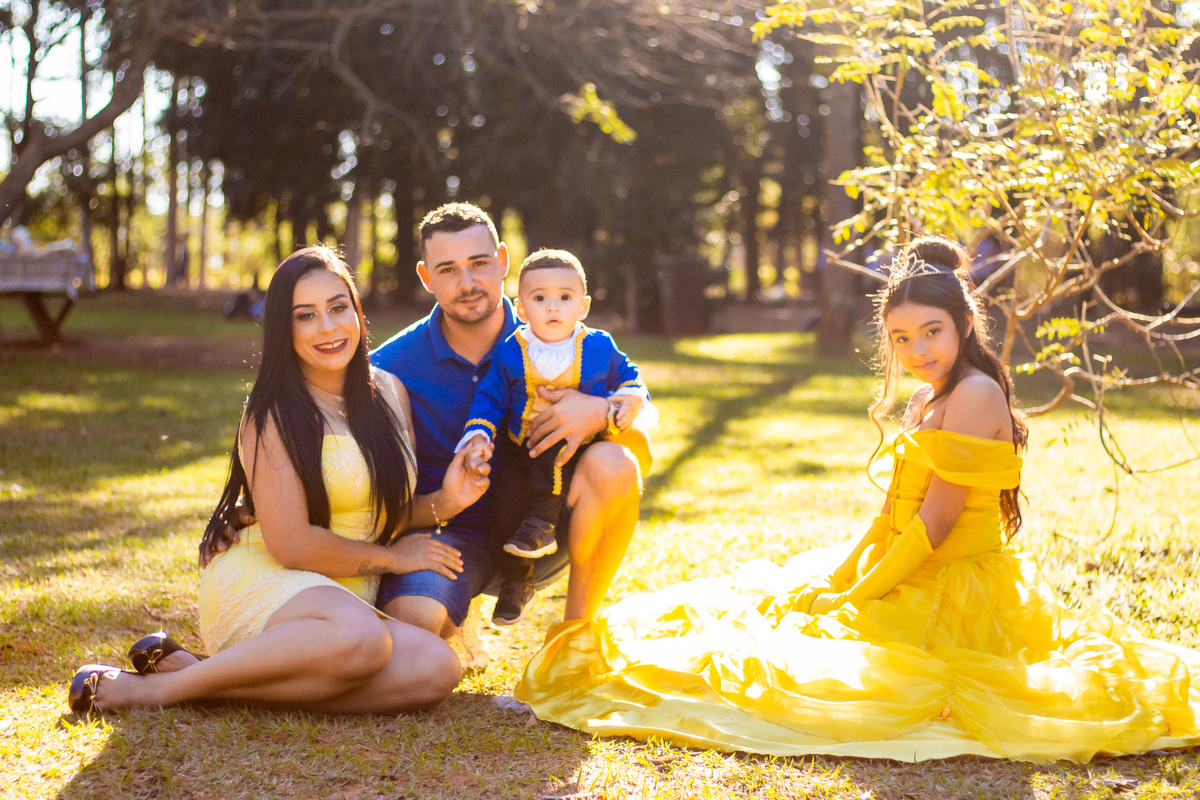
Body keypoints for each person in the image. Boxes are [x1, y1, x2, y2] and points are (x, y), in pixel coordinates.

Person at [514, 236, 1200, 763]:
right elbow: (893, 515)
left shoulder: (976, 393)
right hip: (903, 554)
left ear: (965, 322)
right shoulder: (929, 395)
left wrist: (863, 595)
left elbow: (934, 524)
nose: (918, 349)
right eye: (902, 339)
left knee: (830, 673)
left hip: (948, 578)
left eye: (932, 331)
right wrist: (847, 575)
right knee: (780, 617)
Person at [206, 203, 652, 668]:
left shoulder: (557, 334)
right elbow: (324, 450)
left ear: (502, 261)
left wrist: (601, 412)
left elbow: (640, 448)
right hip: (447, 535)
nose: (468, 282)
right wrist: (253, 509)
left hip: (543, 523)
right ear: (425, 277)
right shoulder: (387, 371)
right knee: (412, 626)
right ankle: (456, 606)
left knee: (615, 464)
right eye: (448, 269)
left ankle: (574, 640)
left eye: (479, 264)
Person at [68, 246, 484, 714]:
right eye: (305, 316)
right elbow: (290, 545)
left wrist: (446, 501)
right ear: (283, 330)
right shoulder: (271, 415)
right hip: (268, 580)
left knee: (436, 667)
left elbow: (380, 510)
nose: (328, 328)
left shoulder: (389, 391)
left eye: (337, 308)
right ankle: (156, 691)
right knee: (362, 637)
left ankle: (203, 677)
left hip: (344, 597)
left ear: (357, 312)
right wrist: (391, 556)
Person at [457, 249, 650, 626]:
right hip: (521, 448)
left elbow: (628, 373)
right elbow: (491, 397)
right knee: (505, 505)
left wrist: (629, 394)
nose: (553, 307)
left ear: (583, 305)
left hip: (579, 452)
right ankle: (518, 580)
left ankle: (544, 528)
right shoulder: (512, 350)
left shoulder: (598, 345)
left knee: (556, 467)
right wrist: (478, 433)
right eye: (539, 298)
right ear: (521, 308)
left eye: (565, 297)